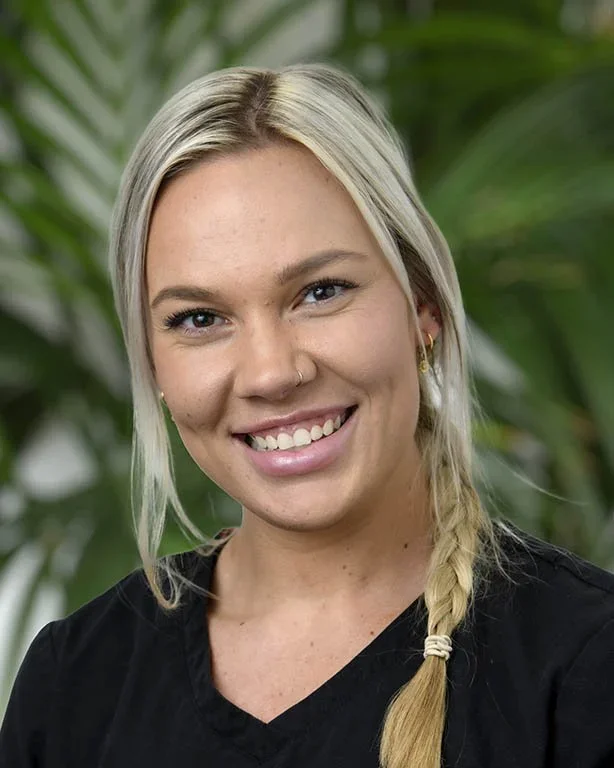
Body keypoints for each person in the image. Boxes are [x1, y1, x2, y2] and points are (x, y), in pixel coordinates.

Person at [1, 62, 614, 768]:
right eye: (199, 318)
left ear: (423, 310)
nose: (272, 372)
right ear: (154, 364)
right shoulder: (77, 683)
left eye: (320, 292)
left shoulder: (583, 668)